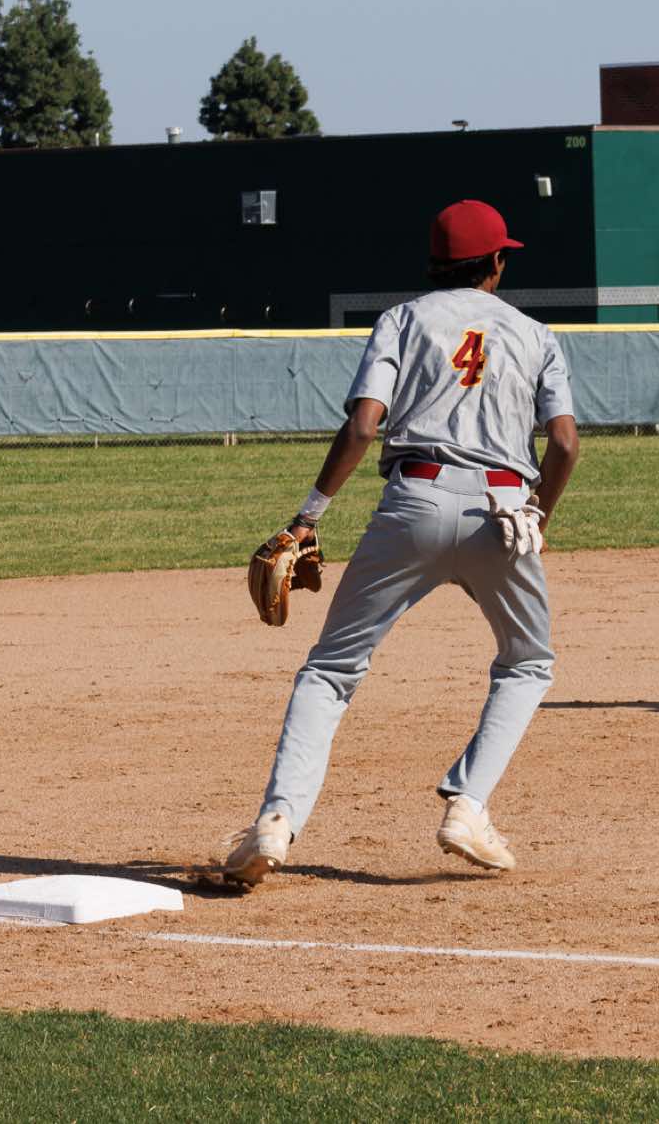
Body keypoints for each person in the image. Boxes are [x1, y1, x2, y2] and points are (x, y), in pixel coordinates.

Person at [203, 199, 580, 889]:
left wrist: (309, 515)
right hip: (503, 512)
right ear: (496, 263)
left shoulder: (402, 320)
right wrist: (538, 514)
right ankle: (468, 806)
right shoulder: (536, 334)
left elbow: (363, 426)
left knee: (330, 670)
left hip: (414, 499)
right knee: (528, 662)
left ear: (436, 263)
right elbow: (564, 444)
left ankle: (277, 822)